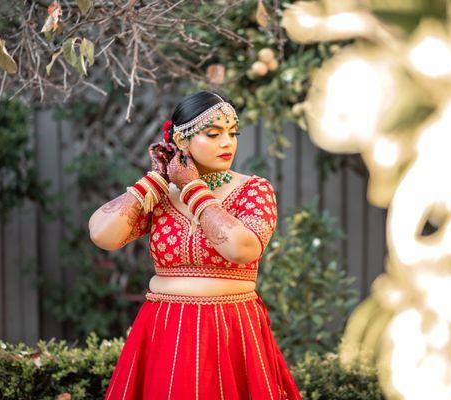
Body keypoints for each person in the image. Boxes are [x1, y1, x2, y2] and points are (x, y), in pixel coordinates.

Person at [88, 90, 302, 399]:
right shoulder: (158, 196)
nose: (227, 142)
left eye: (233, 133)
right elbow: (102, 234)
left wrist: (193, 189)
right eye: (214, 134)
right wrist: (155, 181)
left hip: (231, 330)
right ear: (182, 141)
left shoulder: (253, 190)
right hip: (165, 330)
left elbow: (243, 248)